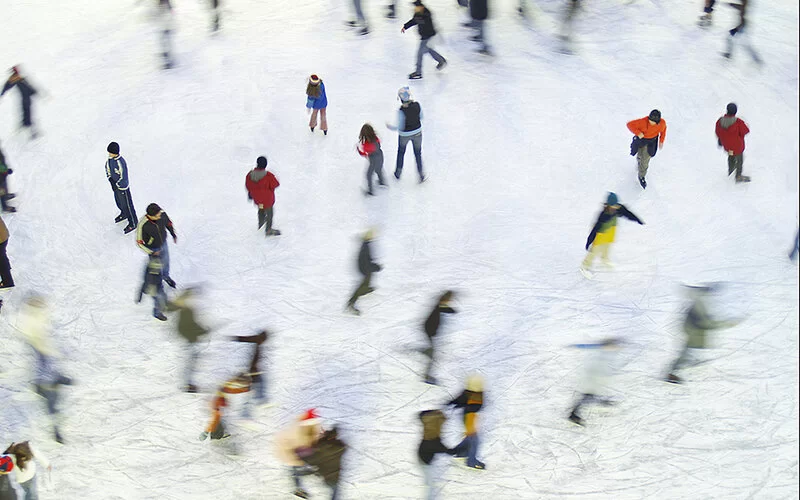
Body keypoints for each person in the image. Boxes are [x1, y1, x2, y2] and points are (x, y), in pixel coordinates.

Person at [17, 295, 73, 443]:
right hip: (44, 378)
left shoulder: (37, 323)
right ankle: (56, 430)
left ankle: (56, 427)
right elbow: (41, 350)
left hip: (47, 373)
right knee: (52, 403)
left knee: (53, 400)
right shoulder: (33, 327)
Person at [665, 285, 740, 384]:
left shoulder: (698, 305)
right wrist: (727, 323)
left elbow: (700, 321)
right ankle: (671, 374)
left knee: (687, 352)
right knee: (685, 353)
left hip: (693, 334)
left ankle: (675, 370)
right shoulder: (698, 306)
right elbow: (706, 323)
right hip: (694, 335)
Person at [581, 192, 644, 277]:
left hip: (610, 232)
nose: (614, 208)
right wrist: (589, 241)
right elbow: (595, 229)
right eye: (612, 206)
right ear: (607, 205)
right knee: (595, 250)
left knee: (607, 247)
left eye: (615, 206)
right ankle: (585, 265)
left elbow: (627, 213)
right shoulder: (603, 215)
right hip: (600, 234)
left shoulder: (619, 208)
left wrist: (637, 219)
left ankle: (604, 259)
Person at [567, 338, 620, 426]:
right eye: (612, 346)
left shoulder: (603, 352)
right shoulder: (599, 351)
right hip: (591, 378)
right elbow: (592, 363)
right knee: (587, 395)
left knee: (590, 395)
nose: (614, 348)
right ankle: (573, 414)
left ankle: (600, 401)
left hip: (594, 377)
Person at [165, 288, 210, 393]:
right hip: (189, 340)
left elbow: (189, 325)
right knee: (190, 361)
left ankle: (188, 383)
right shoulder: (186, 311)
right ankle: (187, 384)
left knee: (191, 361)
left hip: (189, 339)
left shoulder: (184, 309)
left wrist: (201, 331)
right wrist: (202, 331)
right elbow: (188, 325)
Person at [275, 410, 323, 499]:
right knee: (297, 469)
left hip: (299, 453)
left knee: (297, 469)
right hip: (297, 453)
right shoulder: (302, 428)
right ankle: (298, 488)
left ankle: (298, 486)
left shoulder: (307, 426)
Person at [387, 87, 425, 182]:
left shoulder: (401, 111)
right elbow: (422, 117)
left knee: (401, 153)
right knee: (418, 154)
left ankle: (398, 173)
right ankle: (421, 174)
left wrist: (390, 127)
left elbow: (400, 126)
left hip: (404, 135)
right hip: (417, 133)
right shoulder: (417, 105)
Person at [448, 374, 486, 469]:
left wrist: (457, 404)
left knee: (470, 437)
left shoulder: (472, 393)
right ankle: (471, 461)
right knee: (474, 440)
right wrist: (452, 403)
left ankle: (461, 452)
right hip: (468, 418)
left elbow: (475, 406)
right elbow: (461, 400)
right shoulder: (476, 394)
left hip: (469, 417)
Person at [136, 203, 178, 290]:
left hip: (163, 243)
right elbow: (139, 242)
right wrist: (152, 252)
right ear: (150, 216)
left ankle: (166, 277)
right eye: (157, 216)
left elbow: (168, 223)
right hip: (153, 249)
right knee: (156, 269)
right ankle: (158, 284)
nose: (160, 217)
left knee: (166, 263)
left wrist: (173, 234)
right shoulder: (143, 225)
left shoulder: (161, 213)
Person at [402, 1, 447, 80]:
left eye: (417, 7)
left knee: (420, 53)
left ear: (421, 7)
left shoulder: (426, 14)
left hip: (427, 36)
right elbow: (414, 20)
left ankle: (418, 72)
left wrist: (413, 20)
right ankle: (441, 60)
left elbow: (418, 21)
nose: (415, 9)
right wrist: (405, 26)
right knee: (428, 50)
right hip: (425, 36)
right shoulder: (419, 13)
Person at [417, 409, 456, 499]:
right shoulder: (433, 440)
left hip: (424, 457)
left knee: (428, 476)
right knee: (431, 486)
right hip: (425, 461)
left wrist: (433, 412)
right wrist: (457, 450)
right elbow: (445, 450)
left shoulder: (429, 430)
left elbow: (421, 415)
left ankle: (427, 480)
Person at [421, 291, 456, 385]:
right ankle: (426, 376)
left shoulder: (439, 305)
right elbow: (432, 320)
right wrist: (432, 332)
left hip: (429, 330)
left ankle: (426, 350)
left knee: (431, 350)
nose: (450, 301)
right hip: (428, 330)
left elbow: (444, 308)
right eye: (449, 299)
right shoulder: (438, 306)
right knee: (433, 356)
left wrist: (452, 310)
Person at [230, 330, 270, 414]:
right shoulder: (254, 343)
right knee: (251, 391)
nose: (263, 342)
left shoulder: (255, 343)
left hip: (252, 372)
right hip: (249, 374)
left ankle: (260, 400)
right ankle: (247, 411)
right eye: (264, 340)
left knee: (258, 386)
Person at [303, 427, 347, 500]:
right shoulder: (339, 447)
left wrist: (323, 437)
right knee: (334, 492)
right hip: (334, 475)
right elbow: (342, 446)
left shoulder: (321, 446)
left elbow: (314, 454)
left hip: (325, 474)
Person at [627, 110, 666, 189]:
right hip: (641, 140)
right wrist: (638, 133)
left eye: (653, 122)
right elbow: (629, 124)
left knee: (645, 160)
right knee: (640, 155)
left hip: (652, 142)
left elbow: (663, 130)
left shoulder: (662, 124)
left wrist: (661, 141)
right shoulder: (642, 122)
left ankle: (641, 176)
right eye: (650, 120)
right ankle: (639, 161)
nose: (651, 123)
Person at [346, 229, 382, 315]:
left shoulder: (366, 244)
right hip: (364, 268)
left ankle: (365, 289)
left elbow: (367, 259)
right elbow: (365, 260)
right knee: (363, 283)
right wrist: (373, 267)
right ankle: (351, 303)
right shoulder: (365, 246)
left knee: (367, 280)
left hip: (364, 267)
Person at [105, 142, 138, 234]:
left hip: (123, 188)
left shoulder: (121, 162)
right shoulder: (110, 160)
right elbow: (107, 169)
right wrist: (111, 180)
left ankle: (133, 222)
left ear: (115, 152)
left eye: (110, 152)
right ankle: (123, 213)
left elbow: (124, 176)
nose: (109, 154)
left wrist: (119, 185)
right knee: (119, 202)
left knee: (127, 205)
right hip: (115, 187)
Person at [245, 156, 281, 236]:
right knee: (269, 214)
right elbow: (276, 184)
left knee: (261, 209)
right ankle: (268, 229)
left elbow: (248, 185)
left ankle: (261, 224)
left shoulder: (250, 175)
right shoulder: (268, 176)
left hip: (258, 200)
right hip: (267, 200)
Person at [715, 102, 751, 183]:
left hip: (728, 146)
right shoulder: (738, 122)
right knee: (739, 160)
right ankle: (738, 176)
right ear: (735, 111)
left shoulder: (720, 121)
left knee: (731, 156)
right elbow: (745, 131)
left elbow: (718, 132)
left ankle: (730, 171)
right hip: (737, 146)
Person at [0, 67, 38, 139]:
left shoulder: (18, 78)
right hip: (26, 98)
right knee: (27, 113)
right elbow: (7, 86)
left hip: (26, 98)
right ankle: (29, 128)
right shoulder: (17, 78)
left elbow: (29, 87)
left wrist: (34, 92)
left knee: (26, 112)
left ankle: (27, 126)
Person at [722, 0, 762, 64]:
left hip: (741, 26)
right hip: (742, 25)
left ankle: (756, 58)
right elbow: (740, 7)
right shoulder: (744, 5)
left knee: (734, 40)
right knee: (739, 42)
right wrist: (732, 4)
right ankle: (756, 58)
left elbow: (742, 13)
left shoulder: (744, 7)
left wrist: (736, 29)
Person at [357, 124, 386, 196]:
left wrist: (358, 149)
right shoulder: (376, 139)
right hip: (380, 155)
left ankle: (370, 191)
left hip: (373, 160)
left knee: (368, 175)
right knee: (378, 170)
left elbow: (363, 153)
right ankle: (382, 182)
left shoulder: (366, 145)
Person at [139, 254, 168, 321]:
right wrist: (142, 292)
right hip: (153, 287)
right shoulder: (150, 271)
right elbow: (146, 280)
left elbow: (159, 274)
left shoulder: (156, 264)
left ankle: (163, 306)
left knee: (162, 296)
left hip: (158, 284)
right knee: (158, 299)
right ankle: (157, 313)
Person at [0, 143, 16, 213]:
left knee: (4, 186)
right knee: (1, 190)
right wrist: (6, 170)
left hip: (2, 174)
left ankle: (6, 195)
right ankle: (4, 207)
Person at [0, 215, 13, 289]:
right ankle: (7, 281)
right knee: (2, 258)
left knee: (1, 259)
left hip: (1, 239)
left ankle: (7, 281)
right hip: (3, 235)